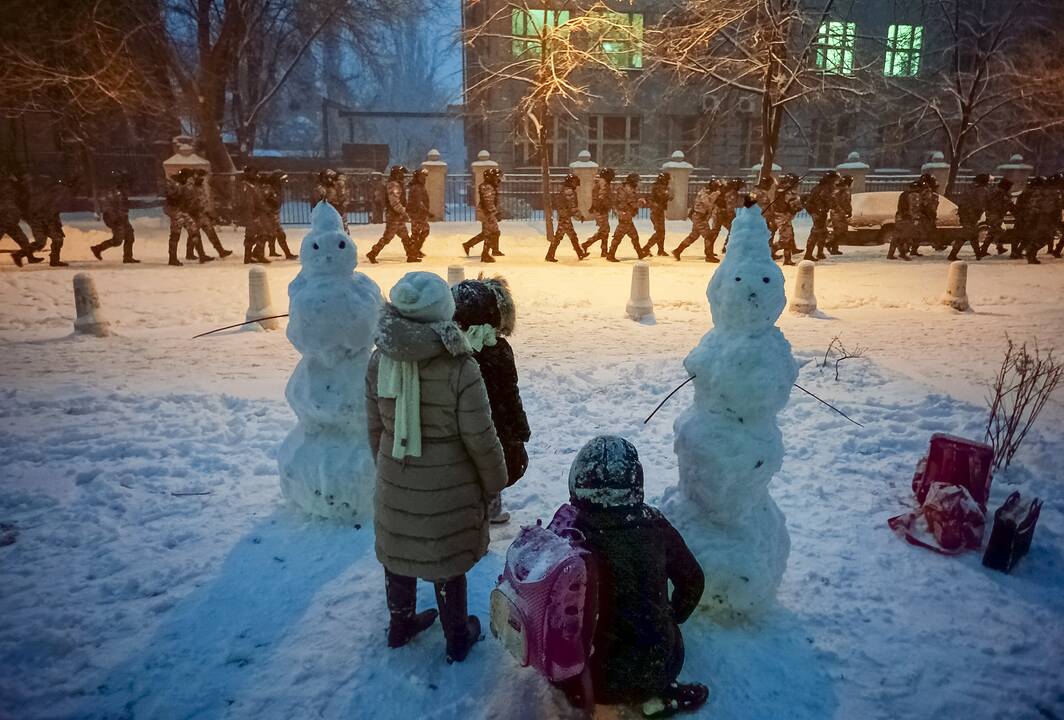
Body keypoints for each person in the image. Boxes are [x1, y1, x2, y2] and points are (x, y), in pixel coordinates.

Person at [366, 272, 508, 663]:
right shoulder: (460, 366)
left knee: (399, 553)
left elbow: (374, 426)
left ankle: (401, 624)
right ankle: (457, 636)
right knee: (446, 564)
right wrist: (495, 481)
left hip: (396, 476)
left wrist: (390, 467)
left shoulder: (380, 359)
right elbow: (481, 437)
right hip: (451, 485)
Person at [557, 436, 708, 718]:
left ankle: (588, 694)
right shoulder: (655, 524)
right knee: (655, 641)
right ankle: (655, 694)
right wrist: (670, 616)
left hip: (584, 679)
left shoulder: (569, 531)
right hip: (655, 668)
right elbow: (693, 581)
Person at [451, 276, 529, 523]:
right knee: (493, 463)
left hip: (467, 423)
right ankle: (488, 507)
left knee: (470, 462)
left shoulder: (452, 351)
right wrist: (519, 426)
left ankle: (478, 507)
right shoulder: (498, 350)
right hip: (496, 423)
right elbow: (509, 392)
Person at [368, 165, 417, 264]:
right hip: (394, 216)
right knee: (388, 237)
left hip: (398, 216)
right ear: (396, 174)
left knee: (405, 236)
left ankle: (411, 256)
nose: (403, 175)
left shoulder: (397, 184)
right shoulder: (393, 185)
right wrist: (404, 211)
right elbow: (394, 202)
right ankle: (373, 253)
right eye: (401, 173)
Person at [91, 171, 139, 264]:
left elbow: (123, 204)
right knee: (117, 241)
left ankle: (128, 257)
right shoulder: (110, 192)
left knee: (130, 237)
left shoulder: (120, 191)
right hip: (114, 218)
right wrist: (114, 219)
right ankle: (97, 248)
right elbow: (107, 206)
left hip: (122, 217)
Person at [186, 169, 232, 260]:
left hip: (202, 213)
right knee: (195, 234)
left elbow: (203, 199)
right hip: (193, 214)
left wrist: (208, 211)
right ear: (197, 175)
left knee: (209, 232)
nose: (204, 179)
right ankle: (199, 255)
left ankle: (220, 251)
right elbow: (190, 200)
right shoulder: (190, 186)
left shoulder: (200, 185)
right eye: (202, 177)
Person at [672, 179, 721, 262]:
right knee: (709, 236)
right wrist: (716, 194)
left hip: (700, 217)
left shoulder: (708, 192)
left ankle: (678, 250)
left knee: (693, 236)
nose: (717, 189)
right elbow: (707, 203)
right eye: (716, 187)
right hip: (699, 217)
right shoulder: (704, 193)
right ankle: (709, 256)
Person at [0, 173, 43, 267]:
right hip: (2, 221)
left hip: (11, 221)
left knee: (23, 240)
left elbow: (21, 201)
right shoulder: (5, 187)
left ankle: (30, 257)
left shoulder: (15, 189)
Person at [26, 175, 67, 267]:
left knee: (47, 241)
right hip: (47, 220)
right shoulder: (50, 195)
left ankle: (19, 254)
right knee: (56, 239)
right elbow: (47, 210)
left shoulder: (50, 194)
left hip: (46, 220)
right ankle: (54, 261)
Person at [464, 167, 503, 263]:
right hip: (486, 212)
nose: (498, 179)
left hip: (487, 212)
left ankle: (469, 245)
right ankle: (485, 254)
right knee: (490, 233)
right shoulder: (487, 187)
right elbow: (488, 202)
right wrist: (495, 212)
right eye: (496, 177)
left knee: (493, 232)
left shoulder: (490, 186)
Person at [547, 173, 588, 262]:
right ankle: (550, 255)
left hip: (564, 216)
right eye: (574, 182)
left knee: (568, 236)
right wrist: (579, 215)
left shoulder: (564, 190)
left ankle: (579, 253)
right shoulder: (569, 192)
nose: (576, 184)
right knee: (563, 236)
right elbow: (572, 206)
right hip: (565, 217)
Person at [949, 173, 990, 261]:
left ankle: (978, 254)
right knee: (966, 234)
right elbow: (981, 203)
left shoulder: (970, 188)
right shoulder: (981, 190)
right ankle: (953, 254)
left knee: (972, 234)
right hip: (971, 215)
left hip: (966, 214)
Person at [607, 172, 645, 262]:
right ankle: (610, 255)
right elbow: (633, 204)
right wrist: (641, 202)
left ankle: (640, 253)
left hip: (625, 214)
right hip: (625, 215)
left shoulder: (625, 188)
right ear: (633, 182)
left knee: (634, 235)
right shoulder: (628, 190)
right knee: (618, 236)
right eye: (637, 181)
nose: (639, 183)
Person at [766, 173, 802, 266]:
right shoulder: (789, 191)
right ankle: (784, 257)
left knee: (784, 236)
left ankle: (776, 254)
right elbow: (794, 205)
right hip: (783, 216)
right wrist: (801, 204)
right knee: (786, 238)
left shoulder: (780, 188)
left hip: (776, 214)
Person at [259, 171, 296, 260]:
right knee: (274, 235)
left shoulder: (277, 189)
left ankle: (269, 251)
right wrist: (268, 207)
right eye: (282, 180)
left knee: (272, 235)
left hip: (274, 215)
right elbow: (261, 201)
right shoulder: (268, 188)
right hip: (268, 216)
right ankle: (258, 253)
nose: (284, 182)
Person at [581, 167, 615, 258]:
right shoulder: (602, 184)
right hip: (600, 211)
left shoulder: (603, 183)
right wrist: (604, 206)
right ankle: (586, 244)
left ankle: (603, 251)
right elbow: (601, 198)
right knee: (604, 230)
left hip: (601, 210)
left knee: (604, 231)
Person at [803, 171, 836, 261]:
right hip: (818, 213)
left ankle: (820, 252)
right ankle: (808, 254)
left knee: (823, 232)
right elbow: (824, 201)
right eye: (834, 180)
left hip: (819, 212)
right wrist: (823, 210)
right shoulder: (825, 189)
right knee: (815, 233)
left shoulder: (820, 187)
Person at [888, 180, 921, 261]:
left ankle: (890, 254)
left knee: (896, 236)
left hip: (900, 217)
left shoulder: (904, 194)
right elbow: (914, 209)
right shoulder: (914, 195)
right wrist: (916, 218)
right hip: (907, 218)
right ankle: (903, 254)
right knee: (905, 237)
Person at [981, 177, 1014, 257]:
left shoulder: (994, 192)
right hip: (995, 214)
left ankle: (987, 249)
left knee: (993, 232)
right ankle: (997, 247)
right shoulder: (1001, 193)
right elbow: (1007, 204)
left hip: (993, 214)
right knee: (998, 232)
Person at [643, 172, 672, 257]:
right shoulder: (659, 187)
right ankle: (646, 248)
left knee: (661, 231)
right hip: (656, 212)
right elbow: (664, 196)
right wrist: (667, 194)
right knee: (659, 232)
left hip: (658, 211)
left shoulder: (659, 187)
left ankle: (660, 250)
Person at [312, 169, 349, 233]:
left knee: (340, 226)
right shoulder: (323, 188)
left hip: (334, 210)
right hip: (330, 211)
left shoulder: (335, 187)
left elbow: (343, 199)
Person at [407, 168, 431, 259]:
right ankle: (413, 253)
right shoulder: (417, 187)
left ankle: (415, 251)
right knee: (419, 232)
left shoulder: (419, 186)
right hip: (417, 213)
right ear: (417, 177)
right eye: (422, 176)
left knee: (420, 232)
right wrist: (427, 212)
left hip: (419, 213)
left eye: (425, 176)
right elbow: (418, 202)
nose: (424, 178)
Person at [829, 174, 854, 255]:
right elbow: (846, 203)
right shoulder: (845, 191)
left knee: (838, 231)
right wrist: (848, 211)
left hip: (836, 212)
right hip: (839, 213)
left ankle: (834, 248)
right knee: (840, 231)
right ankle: (829, 243)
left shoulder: (837, 189)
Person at [718, 178, 744, 253]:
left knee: (733, 230)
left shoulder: (733, 192)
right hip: (724, 215)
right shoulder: (731, 193)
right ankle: (727, 247)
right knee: (734, 230)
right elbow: (730, 207)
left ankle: (727, 247)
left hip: (725, 214)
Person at [916, 172, 940, 254]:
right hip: (925, 215)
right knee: (927, 231)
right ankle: (937, 244)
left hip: (922, 214)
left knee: (919, 232)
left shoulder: (921, 190)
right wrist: (931, 214)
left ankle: (912, 249)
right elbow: (928, 204)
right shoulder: (927, 191)